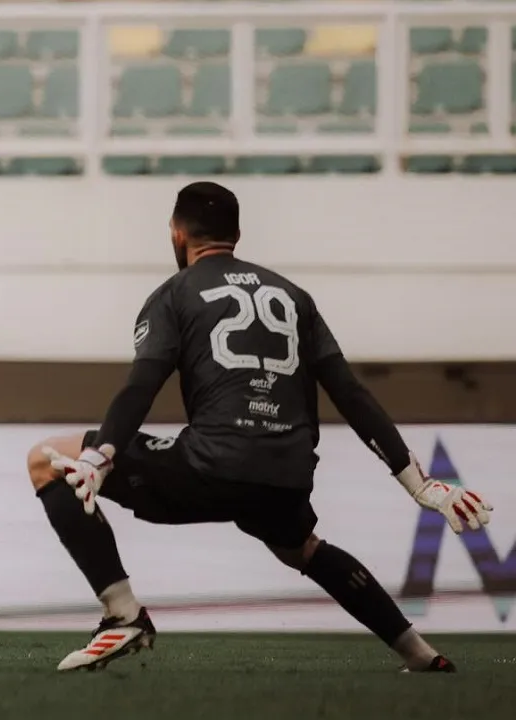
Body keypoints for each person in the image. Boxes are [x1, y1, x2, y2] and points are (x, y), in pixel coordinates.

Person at [27, 181, 491, 673]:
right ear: (238, 235)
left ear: (176, 234)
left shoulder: (173, 295)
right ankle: (420, 654)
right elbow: (351, 394)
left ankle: (123, 616)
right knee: (302, 548)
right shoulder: (295, 297)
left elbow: (142, 385)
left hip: (211, 468)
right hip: (285, 476)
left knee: (45, 460)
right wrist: (420, 486)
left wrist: (100, 457)